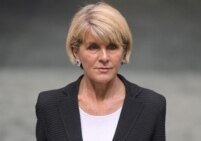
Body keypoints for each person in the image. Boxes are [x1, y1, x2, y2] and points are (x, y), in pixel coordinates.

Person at [35, 2, 166, 141]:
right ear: (75, 52)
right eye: (93, 47)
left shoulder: (152, 106)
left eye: (112, 47)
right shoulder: (49, 106)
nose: (104, 57)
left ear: (124, 51)